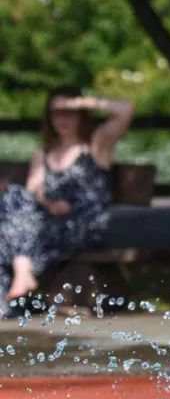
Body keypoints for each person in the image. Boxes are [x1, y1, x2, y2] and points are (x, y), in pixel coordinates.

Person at [0, 87, 134, 304]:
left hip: (83, 226)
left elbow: (125, 110)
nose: (62, 118)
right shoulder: (43, 152)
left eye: (69, 112)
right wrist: (49, 204)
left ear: (81, 114)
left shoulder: (96, 146)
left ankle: (20, 279)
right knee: (13, 200)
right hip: (48, 224)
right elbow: (33, 192)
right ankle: (14, 291)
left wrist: (82, 102)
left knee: (6, 233)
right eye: (56, 112)